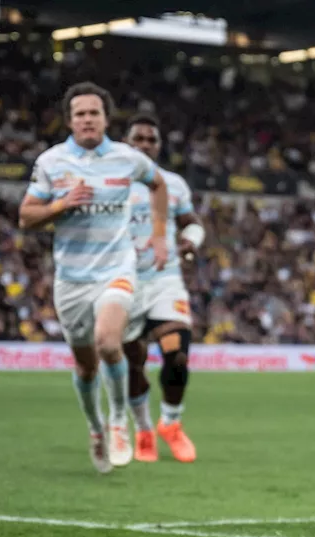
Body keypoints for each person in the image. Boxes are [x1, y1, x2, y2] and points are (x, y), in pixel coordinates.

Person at [19, 83, 169, 473]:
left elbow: (159, 184)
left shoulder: (127, 158)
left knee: (107, 341)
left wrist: (157, 233)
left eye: (94, 113)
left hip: (116, 269)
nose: (87, 119)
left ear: (106, 118)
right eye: (80, 113)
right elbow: (26, 216)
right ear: (70, 120)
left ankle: (119, 419)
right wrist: (61, 205)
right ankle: (96, 427)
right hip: (71, 278)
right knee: (85, 366)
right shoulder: (52, 163)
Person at [121, 113, 203, 463]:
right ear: (126, 143)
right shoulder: (111, 182)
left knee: (178, 354)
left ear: (158, 145)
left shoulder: (173, 184)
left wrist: (190, 242)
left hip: (165, 280)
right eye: (137, 138)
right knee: (133, 364)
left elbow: (192, 223)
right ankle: (142, 430)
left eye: (150, 139)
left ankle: (170, 422)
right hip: (121, 282)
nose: (144, 144)